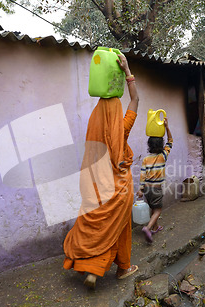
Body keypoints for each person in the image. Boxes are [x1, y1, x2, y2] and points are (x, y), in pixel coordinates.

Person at [63, 54, 139, 289]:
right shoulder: (122, 126)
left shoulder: (93, 122)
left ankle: (90, 269)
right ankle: (123, 268)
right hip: (119, 187)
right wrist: (128, 72)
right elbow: (135, 100)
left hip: (93, 185)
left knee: (93, 223)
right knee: (120, 224)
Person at [138, 118, 173, 243]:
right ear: (161, 145)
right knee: (158, 210)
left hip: (147, 188)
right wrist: (167, 127)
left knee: (153, 207)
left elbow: (142, 175)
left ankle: (155, 227)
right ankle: (147, 228)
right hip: (157, 188)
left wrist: (141, 189)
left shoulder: (146, 159)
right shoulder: (163, 156)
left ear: (149, 145)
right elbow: (170, 141)